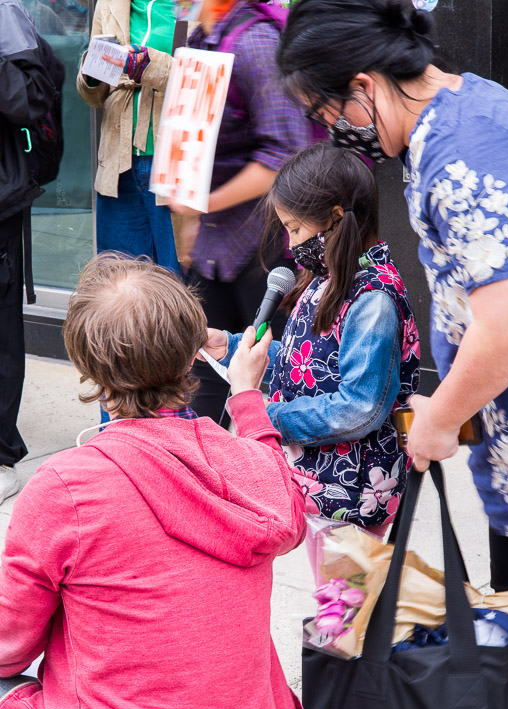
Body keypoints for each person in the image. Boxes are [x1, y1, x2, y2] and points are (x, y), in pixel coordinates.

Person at [0, 253, 315, 709]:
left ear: (88, 365)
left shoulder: (67, 488)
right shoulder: (254, 470)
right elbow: (274, 478)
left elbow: (8, 645)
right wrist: (247, 397)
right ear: (192, 351)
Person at [275, 0, 508, 594]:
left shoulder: (459, 150)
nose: (330, 131)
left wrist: (438, 418)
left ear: (363, 85)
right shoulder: (461, 113)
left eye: (325, 110)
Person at [202, 143, 420, 536]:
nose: (291, 244)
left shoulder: (373, 300)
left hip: (351, 493)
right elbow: (309, 363)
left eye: (296, 229)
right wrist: (232, 347)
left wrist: (268, 419)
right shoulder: (331, 278)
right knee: (336, 595)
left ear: (336, 218)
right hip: (320, 480)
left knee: (346, 597)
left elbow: (360, 407)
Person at [170, 0, 313, 423]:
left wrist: (204, 205)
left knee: (277, 385)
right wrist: (196, 222)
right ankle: (203, 483)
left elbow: (285, 152)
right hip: (219, 243)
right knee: (204, 377)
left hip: (268, 245)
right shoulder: (203, 37)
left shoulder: (255, 41)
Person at [0, 0, 59, 505]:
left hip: (0, 197)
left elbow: (32, 102)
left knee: (0, 331)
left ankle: (0, 456)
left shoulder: (7, 17)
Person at [76, 0, 182, 275]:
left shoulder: (199, 6)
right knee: (119, 283)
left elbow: (208, 77)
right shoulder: (109, 3)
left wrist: (147, 66)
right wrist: (90, 75)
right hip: (118, 164)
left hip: (175, 160)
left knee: (179, 284)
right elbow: (95, 96)